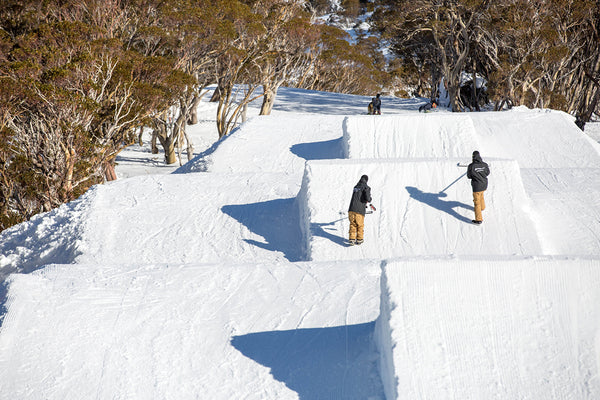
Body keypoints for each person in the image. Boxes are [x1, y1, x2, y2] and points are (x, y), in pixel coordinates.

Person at [467, 150, 490, 224]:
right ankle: (482, 208)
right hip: (484, 184)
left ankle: (479, 219)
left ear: (473, 157)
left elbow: (469, 176)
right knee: (481, 196)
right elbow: (487, 173)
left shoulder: (471, 166)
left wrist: (475, 173)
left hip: (476, 186)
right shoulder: (485, 164)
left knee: (477, 202)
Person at [348, 175, 372, 245]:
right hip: (359, 211)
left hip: (351, 209)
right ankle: (359, 239)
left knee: (353, 224)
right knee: (360, 225)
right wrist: (370, 199)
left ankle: (352, 239)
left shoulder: (355, 187)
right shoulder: (366, 188)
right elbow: (367, 198)